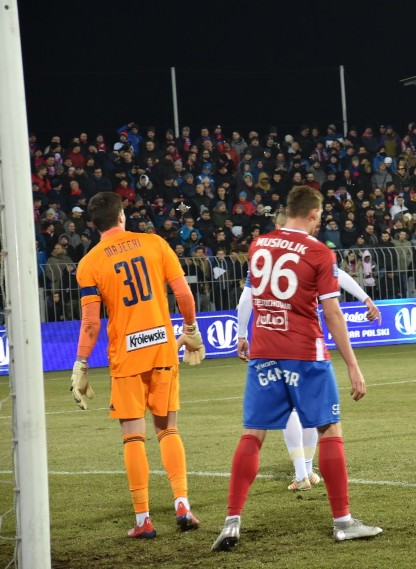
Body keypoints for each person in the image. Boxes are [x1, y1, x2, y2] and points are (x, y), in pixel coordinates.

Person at [212, 186, 382, 551]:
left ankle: (230, 522)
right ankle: (343, 522)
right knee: (329, 428)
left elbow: (251, 296)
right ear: (312, 214)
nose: (319, 223)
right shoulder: (319, 251)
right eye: (319, 217)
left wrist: (245, 334)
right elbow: (332, 312)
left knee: (253, 434)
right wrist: (353, 365)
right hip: (305, 353)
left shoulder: (258, 246)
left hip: (264, 352)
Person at [70, 191, 206, 539]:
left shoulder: (89, 263)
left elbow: (90, 324)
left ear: (94, 224)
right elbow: (184, 295)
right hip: (162, 349)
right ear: (122, 216)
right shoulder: (155, 243)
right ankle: (182, 505)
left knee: (133, 438)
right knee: (168, 430)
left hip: (127, 357)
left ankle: (144, 519)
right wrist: (190, 330)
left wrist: (81, 365)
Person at [234, 212, 382, 492]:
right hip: (302, 342)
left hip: (268, 343)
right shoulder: (310, 251)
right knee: (316, 414)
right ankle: (311, 477)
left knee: (278, 416)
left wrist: (242, 333)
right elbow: (337, 283)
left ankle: (301, 473)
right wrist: (365, 297)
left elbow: (247, 296)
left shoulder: (262, 250)